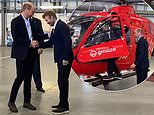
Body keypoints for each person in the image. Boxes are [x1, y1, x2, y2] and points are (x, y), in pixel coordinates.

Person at [8, 2, 39, 113]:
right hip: (21, 54)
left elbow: (36, 35)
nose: (34, 12)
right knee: (20, 77)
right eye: (32, 10)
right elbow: (16, 38)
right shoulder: (16, 22)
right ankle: (11, 102)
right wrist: (30, 43)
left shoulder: (32, 21)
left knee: (28, 78)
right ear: (26, 9)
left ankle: (27, 101)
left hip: (31, 53)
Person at [41, 11, 74, 114]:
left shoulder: (61, 26)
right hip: (60, 58)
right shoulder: (56, 27)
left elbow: (68, 43)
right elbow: (51, 42)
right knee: (61, 81)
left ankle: (64, 107)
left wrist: (65, 58)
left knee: (63, 82)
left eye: (47, 20)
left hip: (64, 59)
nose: (46, 22)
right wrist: (39, 45)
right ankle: (62, 103)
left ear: (51, 17)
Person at [31, 17, 45, 92]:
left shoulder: (37, 21)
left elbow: (41, 34)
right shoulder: (18, 21)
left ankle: (39, 86)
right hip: (25, 49)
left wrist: (41, 47)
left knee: (36, 68)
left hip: (35, 48)